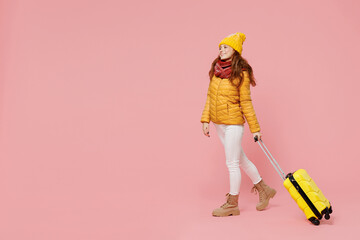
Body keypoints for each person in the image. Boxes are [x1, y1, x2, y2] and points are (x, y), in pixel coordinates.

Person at [200, 32, 276, 217]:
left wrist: (255, 129)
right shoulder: (216, 71)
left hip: (234, 124)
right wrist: (205, 119)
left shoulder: (241, 73)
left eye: (225, 47)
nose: (221, 50)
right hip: (219, 124)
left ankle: (232, 203)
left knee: (232, 163)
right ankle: (264, 189)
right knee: (241, 159)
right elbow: (210, 97)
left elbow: (246, 102)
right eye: (220, 47)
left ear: (235, 50)